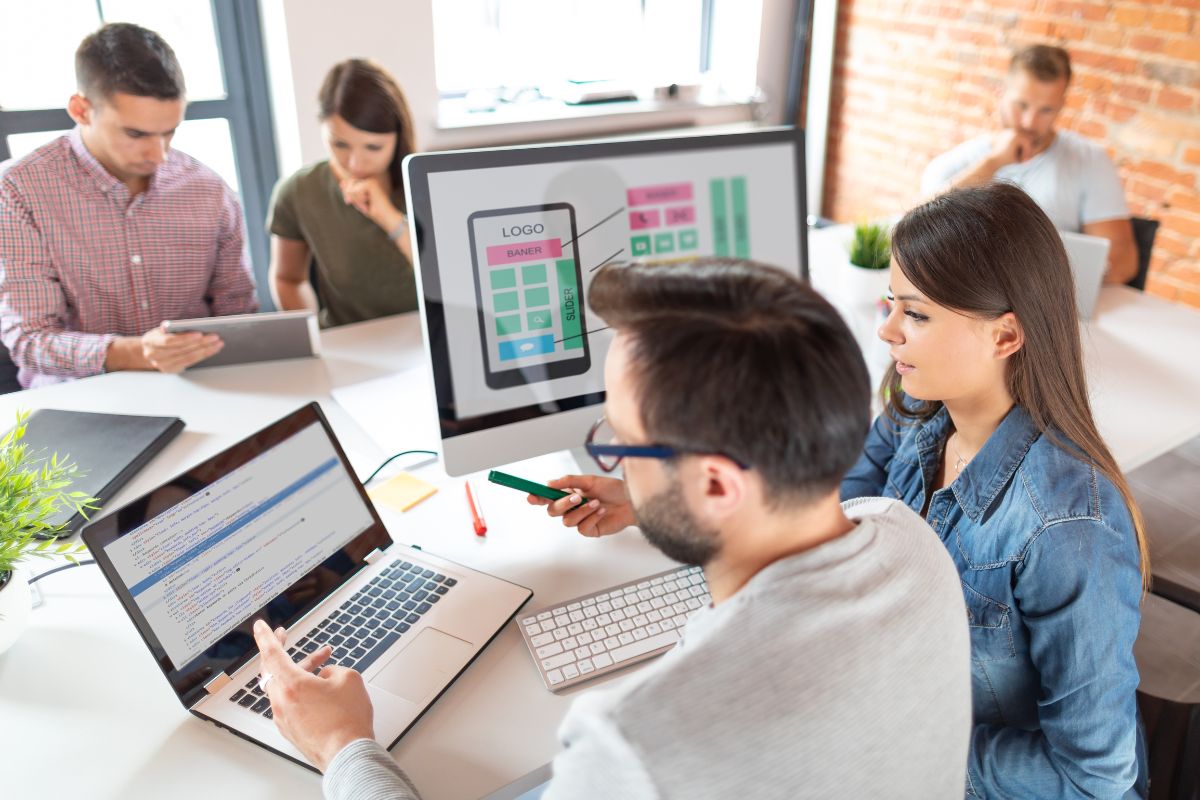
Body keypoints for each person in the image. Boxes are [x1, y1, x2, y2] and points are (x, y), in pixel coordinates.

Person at [252, 259, 974, 798]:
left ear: (718, 485)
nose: (616, 465)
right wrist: (659, 500)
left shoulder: (634, 745)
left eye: (622, 444)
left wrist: (343, 744)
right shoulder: (911, 542)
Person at [537, 185, 1149, 797]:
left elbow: (1095, 775)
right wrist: (653, 498)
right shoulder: (919, 414)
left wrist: (891, 733)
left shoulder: (1068, 526)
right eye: (890, 303)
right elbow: (809, 505)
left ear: (1005, 337)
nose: (886, 331)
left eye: (915, 313)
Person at [0, 23, 258, 388]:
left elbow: (238, 313)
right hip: (79, 400)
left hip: (199, 388)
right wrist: (136, 353)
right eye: (136, 134)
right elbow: (29, 340)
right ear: (81, 110)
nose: (159, 154)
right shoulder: (17, 189)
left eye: (169, 131)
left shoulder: (210, 190)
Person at [921, 44, 1137, 285]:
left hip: (1051, 304)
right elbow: (919, 226)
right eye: (1021, 105)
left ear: (1062, 105)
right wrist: (994, 162)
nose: (1029, 122)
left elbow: (1123, 262)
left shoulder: (1090, 160)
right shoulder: (955, 163)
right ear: (1000, 92)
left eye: (1046, 110)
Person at [267, 59, 419, 328]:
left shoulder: (425, 182)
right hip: (347, 343)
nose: (355, 164)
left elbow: (448, 282)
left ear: (398, 136)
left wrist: (390, 218)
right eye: (339, 144)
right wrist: (314, 336)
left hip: (424, 338)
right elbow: (288, 279)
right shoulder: (299, 192)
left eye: (373, 147)